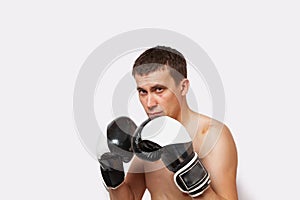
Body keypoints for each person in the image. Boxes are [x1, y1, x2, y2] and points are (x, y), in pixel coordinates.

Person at [99, 46, 238, 200]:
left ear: (183, 87)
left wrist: (191, 174)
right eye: (142, 92)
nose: (149, 103)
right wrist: (113, 176)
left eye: (158, 89)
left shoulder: (211, 136)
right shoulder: (147, 137)